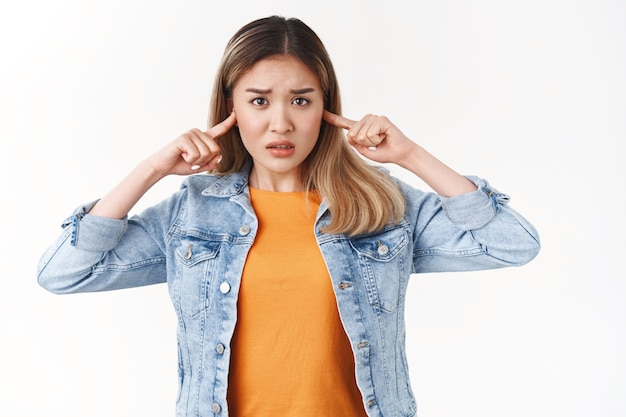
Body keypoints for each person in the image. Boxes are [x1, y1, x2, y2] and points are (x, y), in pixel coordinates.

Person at [37, 15, 540, 417]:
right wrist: (150, 170)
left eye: (301, 100)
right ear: (230, 109)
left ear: (326, 108)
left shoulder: (379, 206)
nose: (281, 122)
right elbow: (64, 273)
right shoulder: (191, 213)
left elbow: (512, 243)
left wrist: (410, 155)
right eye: (259, 101)